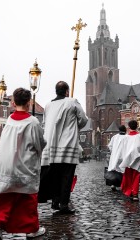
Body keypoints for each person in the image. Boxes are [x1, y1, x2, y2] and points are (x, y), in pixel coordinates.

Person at [0, 88, 46, 240]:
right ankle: (31, 229)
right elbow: (39, 143)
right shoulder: (32, 122)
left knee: (2, 198)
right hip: (24, 165)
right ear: (29, 103)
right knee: (27, 200)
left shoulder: (10, 120)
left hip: (7, 165)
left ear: (13, 103)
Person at [39, 81, 88, 214]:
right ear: (67, 91)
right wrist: (75, 126)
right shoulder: (72, 102)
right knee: (67, 176)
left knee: (54, 175)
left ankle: (55, 202)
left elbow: (44, 123)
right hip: (67, 145)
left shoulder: (48, 105)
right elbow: (83, 119)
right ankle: (64, 204)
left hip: (51, 146)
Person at [119, 120, 140, 201]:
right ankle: (135, 194)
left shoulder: (125, 137)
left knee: (128, 176)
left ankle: (129, 191)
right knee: (136, 177)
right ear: (137, 126)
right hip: (137, 159)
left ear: (129, 127)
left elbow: (122, 149)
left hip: (127, 159)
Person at [106, 125, 127, 190]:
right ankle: (123, 185)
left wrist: (114, 152)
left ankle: (113, 184)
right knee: (123, 171)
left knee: (114, 170)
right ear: (125, 130)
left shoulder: (114, 137)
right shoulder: (127, 137)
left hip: (115, 157)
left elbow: (110, 146)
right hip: (124, 156)